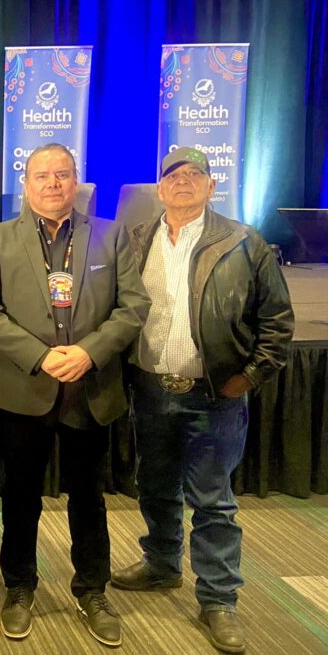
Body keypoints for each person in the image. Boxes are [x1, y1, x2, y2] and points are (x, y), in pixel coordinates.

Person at [112, 147, 294, 654]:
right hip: (149, 388)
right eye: (174, 175)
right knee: (154, 486)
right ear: (160, 187)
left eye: (196, 174)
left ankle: (218, 599)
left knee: (213, 502)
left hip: (214, 395)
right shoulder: (136, 238)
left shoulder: (244, 242)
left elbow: (277, 321)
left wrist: (250, 376)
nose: (185, 181)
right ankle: (162, 563)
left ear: (213, 187)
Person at [0, 143, 149, 647]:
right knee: (21, 495)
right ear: (25, 184)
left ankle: (91, 589)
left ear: (77, 183)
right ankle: (20, 588)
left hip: (90, 389)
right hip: (24, 388)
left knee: (89, 498)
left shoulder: (110, 236)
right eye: (42, 176)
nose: (53, 184)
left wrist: (88, 353)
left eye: (63, 175)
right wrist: (41, 355)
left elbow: (133, 307)